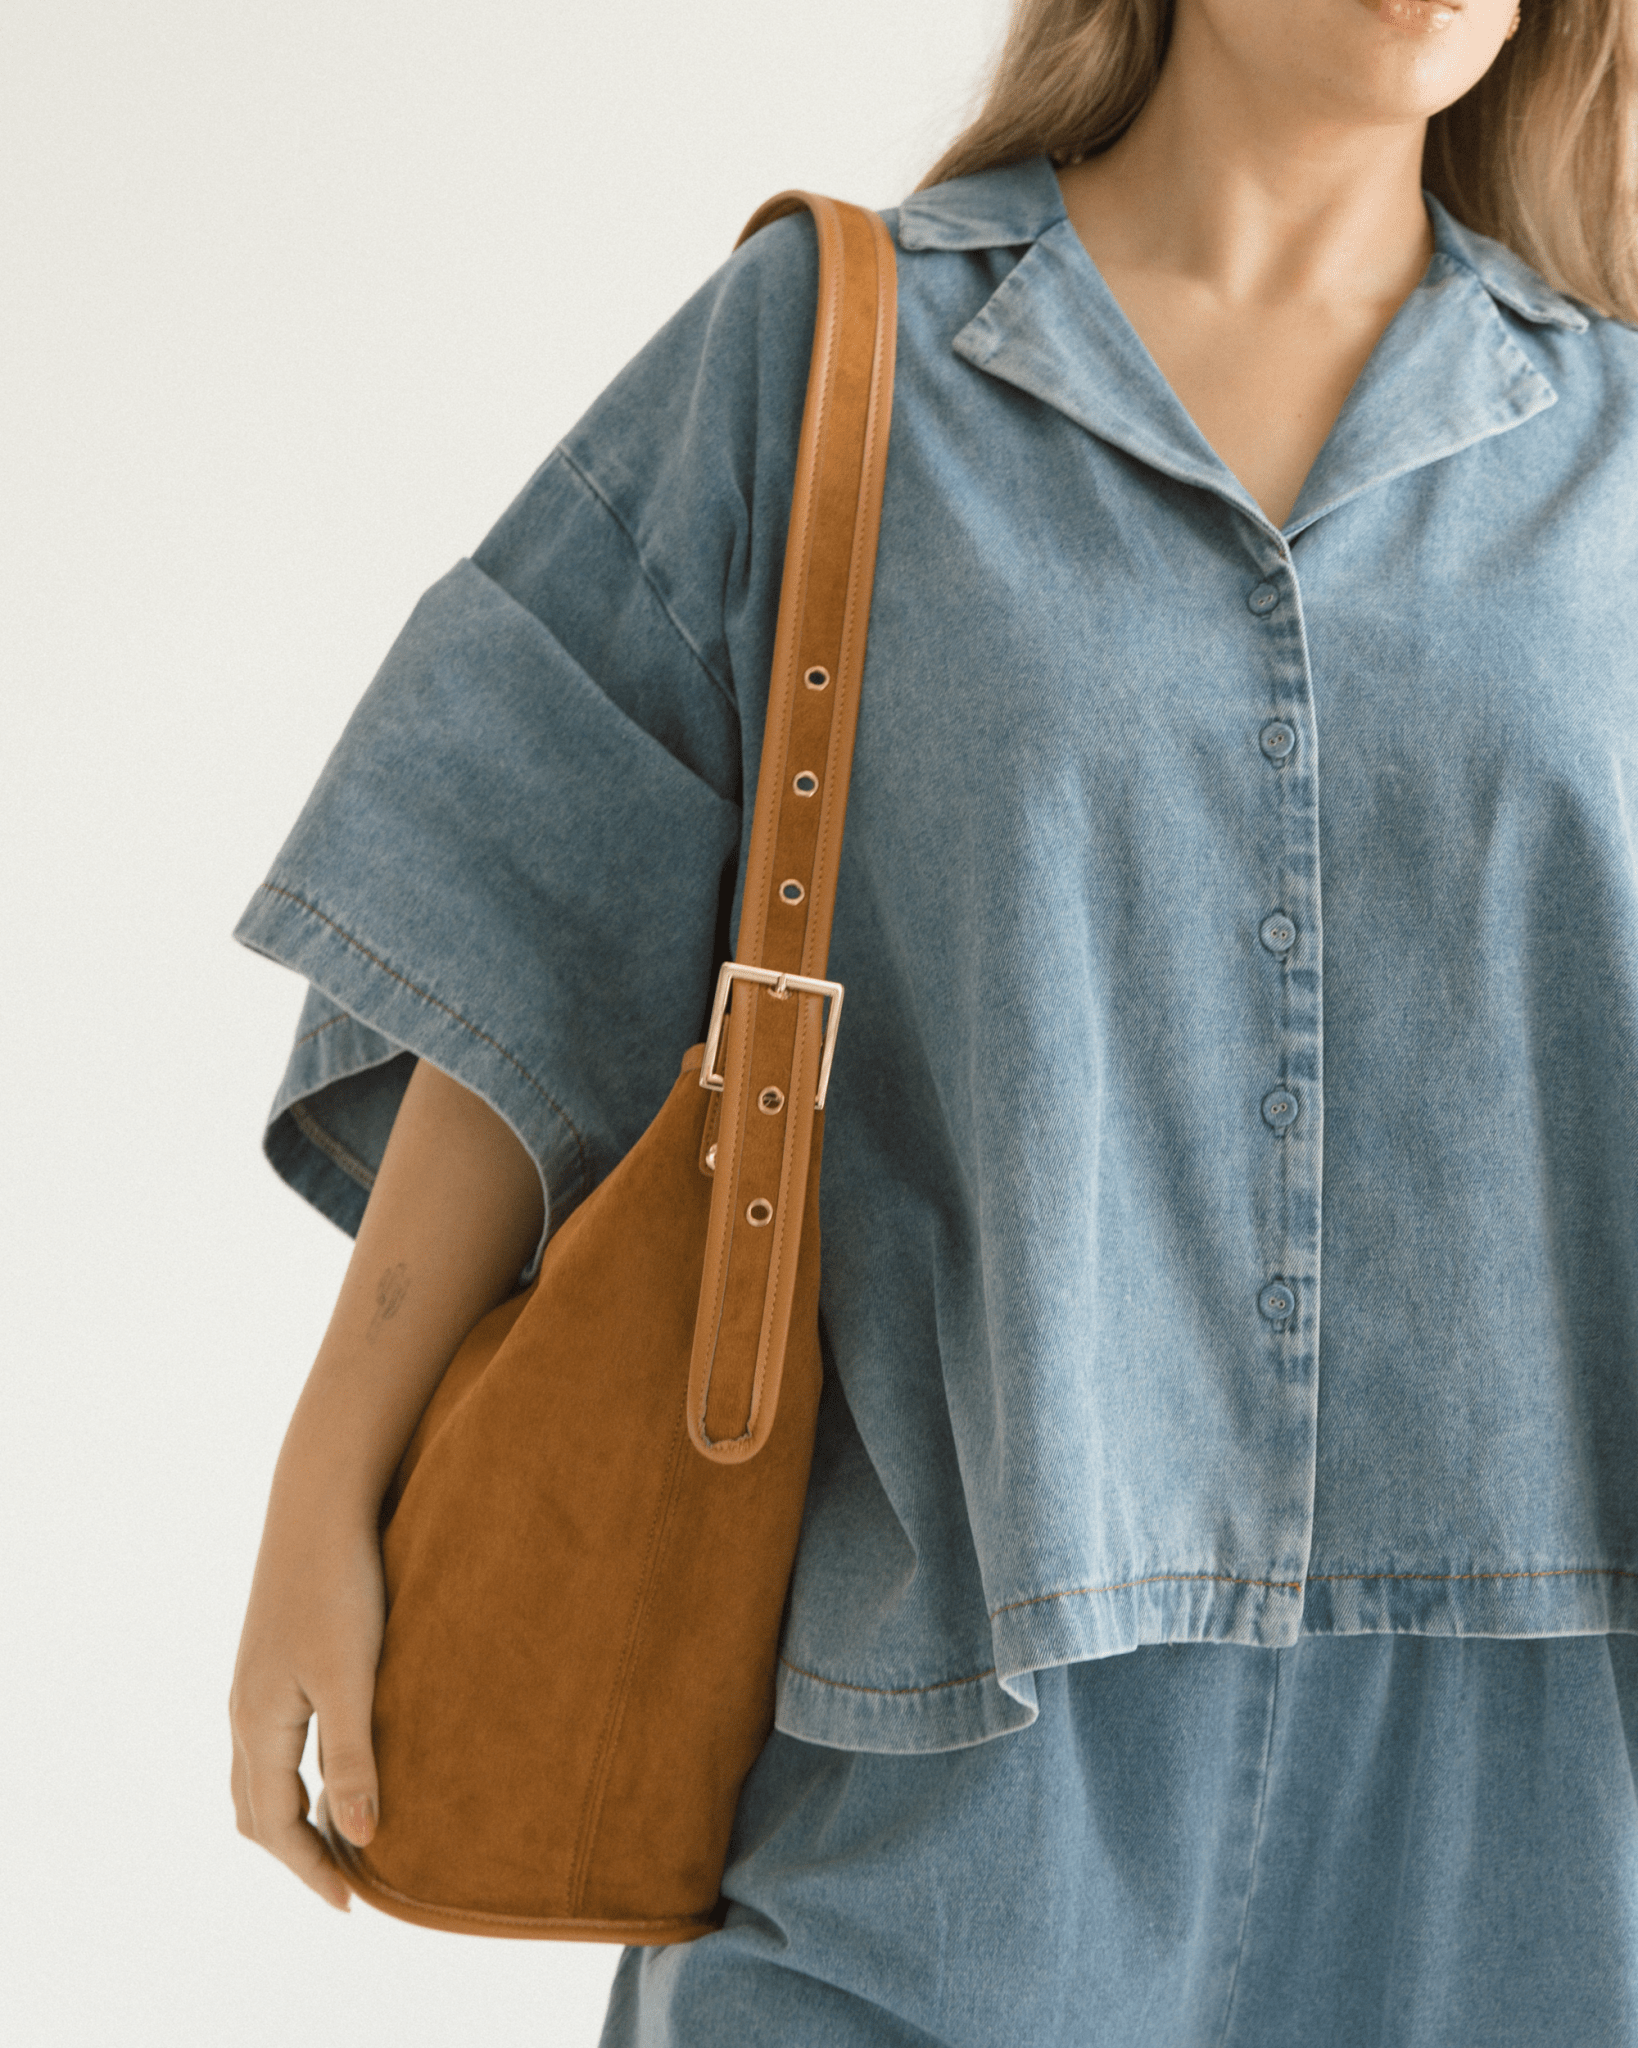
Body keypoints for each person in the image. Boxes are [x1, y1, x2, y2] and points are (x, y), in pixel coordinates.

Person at [228, 0, 1638, 2040]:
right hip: (932, 1743)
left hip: (1531, 1780)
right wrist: (322, 1490)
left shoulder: (1612, 452)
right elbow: (532, 922)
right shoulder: (832, 358)